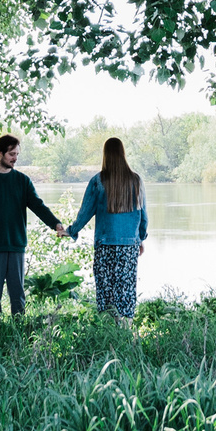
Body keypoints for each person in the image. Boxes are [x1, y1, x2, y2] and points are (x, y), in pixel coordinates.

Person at [0, 133, 63, 316]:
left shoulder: (22, 180)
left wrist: (56, 224)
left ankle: (19, 333)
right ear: (0, 153)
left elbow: (38, 205)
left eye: (17, 154)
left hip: (16, 245)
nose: (15, 158)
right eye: (12, 154)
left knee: (17, 294)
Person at [65, 135, 149, 320]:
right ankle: (125, 329)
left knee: (106, 289)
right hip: (129, 246)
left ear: (105, 155)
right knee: (126, 289)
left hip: (105, 246)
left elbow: (85, 212)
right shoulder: (136, 181)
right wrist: (140, 238)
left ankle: (108, 328)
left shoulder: (98, 181)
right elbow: (143, 215)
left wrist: (71, 230)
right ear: (123, 154)